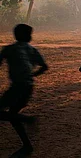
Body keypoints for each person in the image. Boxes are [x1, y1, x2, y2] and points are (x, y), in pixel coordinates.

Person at [0, 24, 48, 156]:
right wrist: (32, 75)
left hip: (17, 87)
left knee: (9, 114)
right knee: (13, 115)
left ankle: (27, 120)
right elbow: (44, 67)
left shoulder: (9, 49)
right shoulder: (32, 50)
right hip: (28, 86)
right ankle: (27, 145)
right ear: (28, 36)